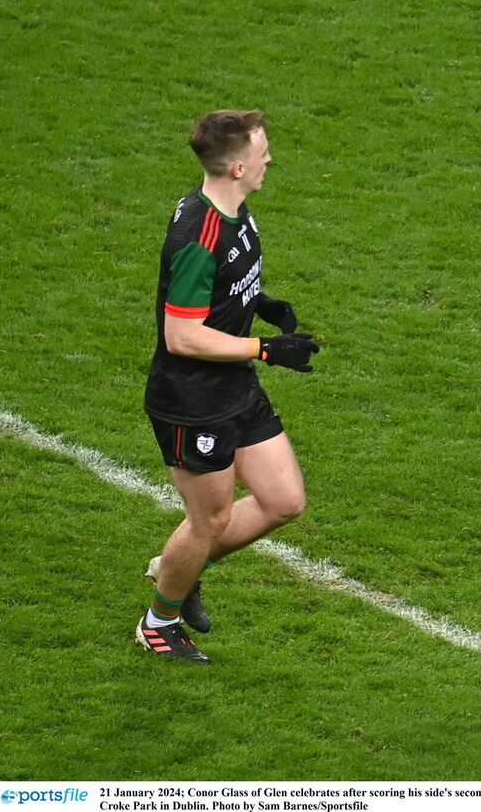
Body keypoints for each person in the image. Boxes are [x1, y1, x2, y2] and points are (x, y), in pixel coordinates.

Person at [140, 109, 320, 662]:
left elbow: (216, 289)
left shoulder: (235, 209)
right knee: (210, 519)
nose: (269, 159)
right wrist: (267, 349)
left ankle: (181, 567)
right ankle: (159, 622)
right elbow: (183, 336)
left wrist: (257, 303)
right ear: (237, 166)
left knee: (284, 500)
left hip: (233, 384)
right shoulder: (200, 234)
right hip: (193, 401)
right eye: (262, 152)